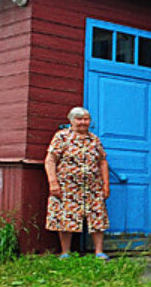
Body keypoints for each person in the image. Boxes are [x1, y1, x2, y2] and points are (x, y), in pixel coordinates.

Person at [44, 106, 111, 260]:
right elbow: (50, 160)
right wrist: (53, 182)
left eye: (86, 119)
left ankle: (99, 252)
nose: (83, 122)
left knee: (97, 216)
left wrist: (106, 184)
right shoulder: (61, 137)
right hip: (67, 186)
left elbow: (102, 162)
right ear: (71, 121)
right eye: (79, 119)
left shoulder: (94, 139)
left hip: (92, 186)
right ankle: (65, 252)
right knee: (65, 217)